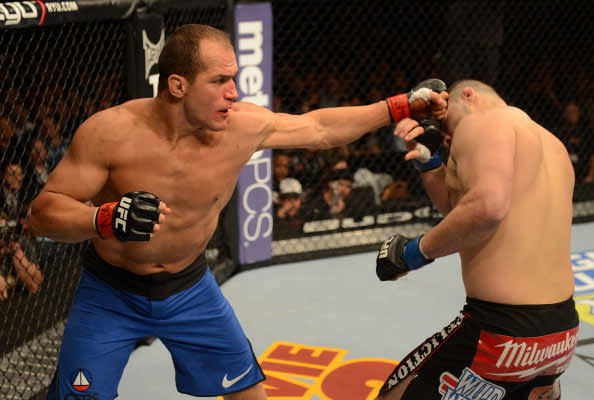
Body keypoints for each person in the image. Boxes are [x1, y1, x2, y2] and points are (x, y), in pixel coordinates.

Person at [29, 24, 447, 400]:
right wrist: (103, 219)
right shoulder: (110, 133)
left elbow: (319, 129)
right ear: (177, 85)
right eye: (219, 80)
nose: (234, 92)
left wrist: (400, 105)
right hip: (110, 295)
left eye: (233, 77)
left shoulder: (241, 126)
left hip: (190, 289)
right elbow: (42, 215)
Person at [375, 80, 579, 400]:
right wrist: (430, 164)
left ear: (469, 96)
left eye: (447, 122)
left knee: (395, 393)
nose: (448, 135)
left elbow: (487, 208)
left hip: (501, 331)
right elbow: (464, 213)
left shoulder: (481, 122)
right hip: (561, 332)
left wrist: (413, 253)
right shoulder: (553, 144)